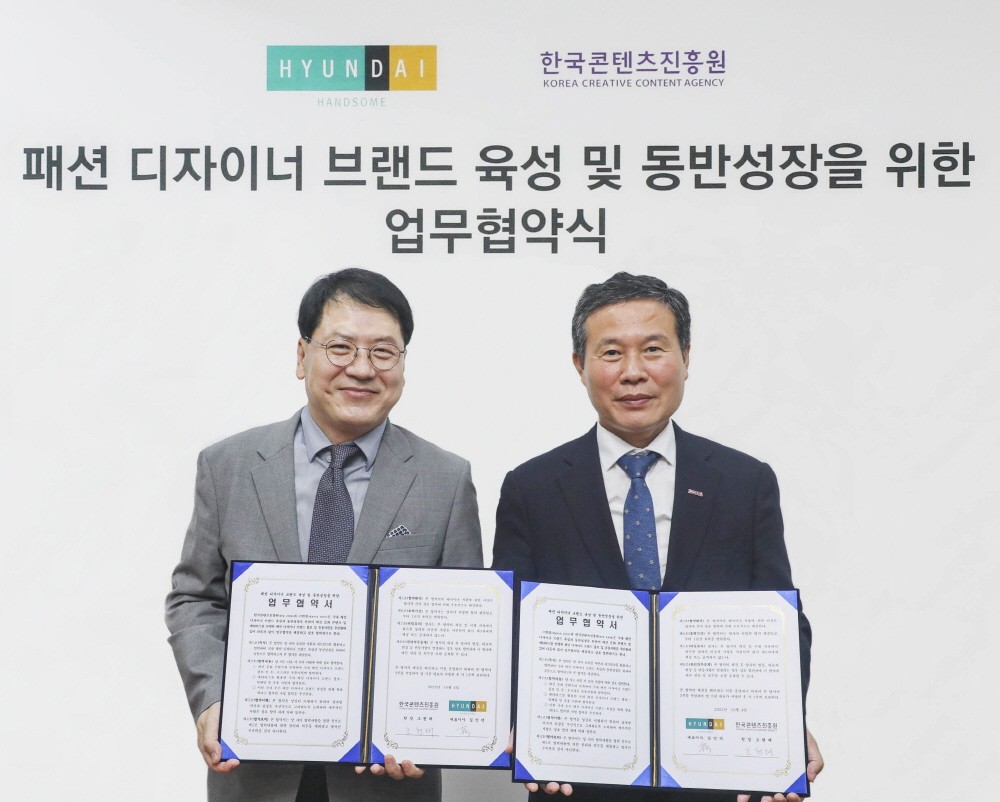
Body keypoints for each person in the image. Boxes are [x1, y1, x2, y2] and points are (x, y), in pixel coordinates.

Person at [493, 272, 823, 802]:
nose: (633, 373)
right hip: (579, 779)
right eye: (611, 353)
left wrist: (784, 724)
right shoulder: (532, 487)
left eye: (653, 349)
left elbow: (780, 624)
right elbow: (508, 626)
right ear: (579, 365)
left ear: (686, 358)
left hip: (717, 778)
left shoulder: (744, 482)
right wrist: (519, 725)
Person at [166, 268, 483, 802]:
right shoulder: (229, 465)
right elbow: (196, 597)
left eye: (383, 352)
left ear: (403, 364)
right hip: (254, 773)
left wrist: (431, 728)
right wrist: (213, 698)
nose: (361, 368)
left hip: (385, 782)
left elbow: (463, 628)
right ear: (301, 355)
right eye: (340, 347)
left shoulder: (445, 479)